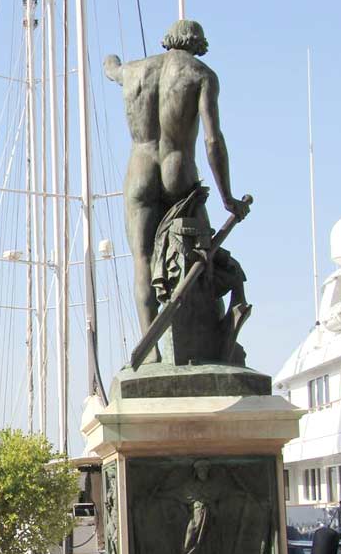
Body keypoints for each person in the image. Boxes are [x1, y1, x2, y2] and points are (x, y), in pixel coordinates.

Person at [102, 19, 248, 360]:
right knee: (202, 254)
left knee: (142, 259)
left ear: (169, 41)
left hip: (140, 168)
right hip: (178, 170)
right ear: (198, 44)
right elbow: (213, 140)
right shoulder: (201, 75)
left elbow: (112, 69)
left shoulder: (135, 71)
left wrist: (111, 60)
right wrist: (228, 198)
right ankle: (205, 338)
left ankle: (151, 353)